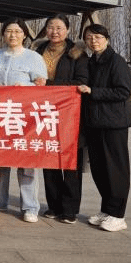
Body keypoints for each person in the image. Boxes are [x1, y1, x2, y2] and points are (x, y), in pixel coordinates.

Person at [0, 18, 47, 223]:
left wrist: (25, 87)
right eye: (9, 31)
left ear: (24, 34)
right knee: (0, 160)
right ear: (3, 34)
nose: (13, 35)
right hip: (1, 116)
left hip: (25, 117)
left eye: (17, 31)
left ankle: (30, 206)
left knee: (27, 162)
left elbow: (41, 86)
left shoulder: (34, 57)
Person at [77, 24, 131, 232]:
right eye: (89, 38)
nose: (94, 41)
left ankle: (118, 215)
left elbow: (123, 91)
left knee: (116, 169)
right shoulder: (91, 61)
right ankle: (107, 210)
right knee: (99, 169)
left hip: (114, 124)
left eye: (98, 37)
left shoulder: (116, 61)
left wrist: (93, 91)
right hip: (95, 123)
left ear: (107, 39)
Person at [35, 14, 89, 224]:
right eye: (50, 27)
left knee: (70, 163)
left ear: (67, 30)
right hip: (44, 113)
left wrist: (49, 85)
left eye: (59, 27)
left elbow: (81, 82)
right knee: (49, 160)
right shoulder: (37, 51)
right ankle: (54, 205)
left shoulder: (77, 53)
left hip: (70, 115)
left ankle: (70, 209)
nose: (54, 32)